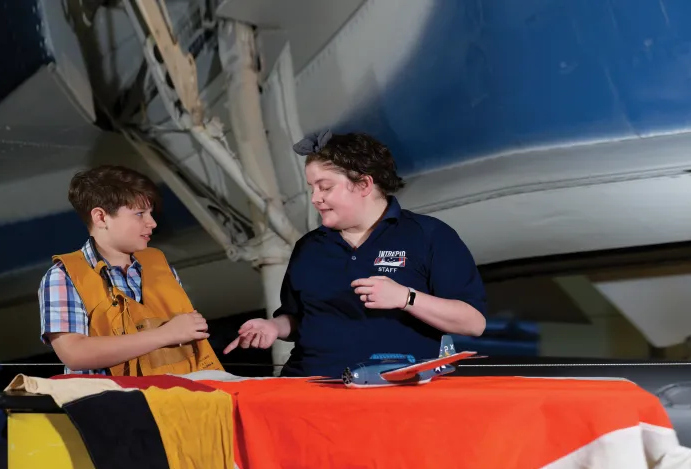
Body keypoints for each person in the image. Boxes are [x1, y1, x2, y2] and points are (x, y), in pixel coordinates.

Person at [224, 130, 487, 377]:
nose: (315, 198)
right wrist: (273, 327)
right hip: (306, 390)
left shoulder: (429, 235)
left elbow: (473, 323)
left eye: (325, 187)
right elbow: (298, 319)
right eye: (312, 188)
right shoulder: (309, 246)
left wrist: (405, 297)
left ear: (363, 184)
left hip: (395, 397)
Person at [38, 165, 224, 376]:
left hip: (181, 400)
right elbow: (74, 354)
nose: (152, 223)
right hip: (113, 403)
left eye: (151, 213)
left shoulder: (161, 266)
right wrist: (167, 334)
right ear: (101, 217)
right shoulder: (64, 277)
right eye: (139, 214)